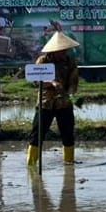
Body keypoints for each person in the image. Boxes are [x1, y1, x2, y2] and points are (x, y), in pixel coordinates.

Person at [26, 31, 81, 167]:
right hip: (46, 103)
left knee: (68, 135)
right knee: (37, 135)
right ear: (54, 50)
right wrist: (51, 83)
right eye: (61, 50)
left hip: (64, 104)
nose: (64, 53)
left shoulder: (70, 62)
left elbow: (73, 84)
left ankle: (69, 165)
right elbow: (35, 82)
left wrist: (67, 92)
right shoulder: (42, 61)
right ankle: (31, 165)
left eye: (65, 50)